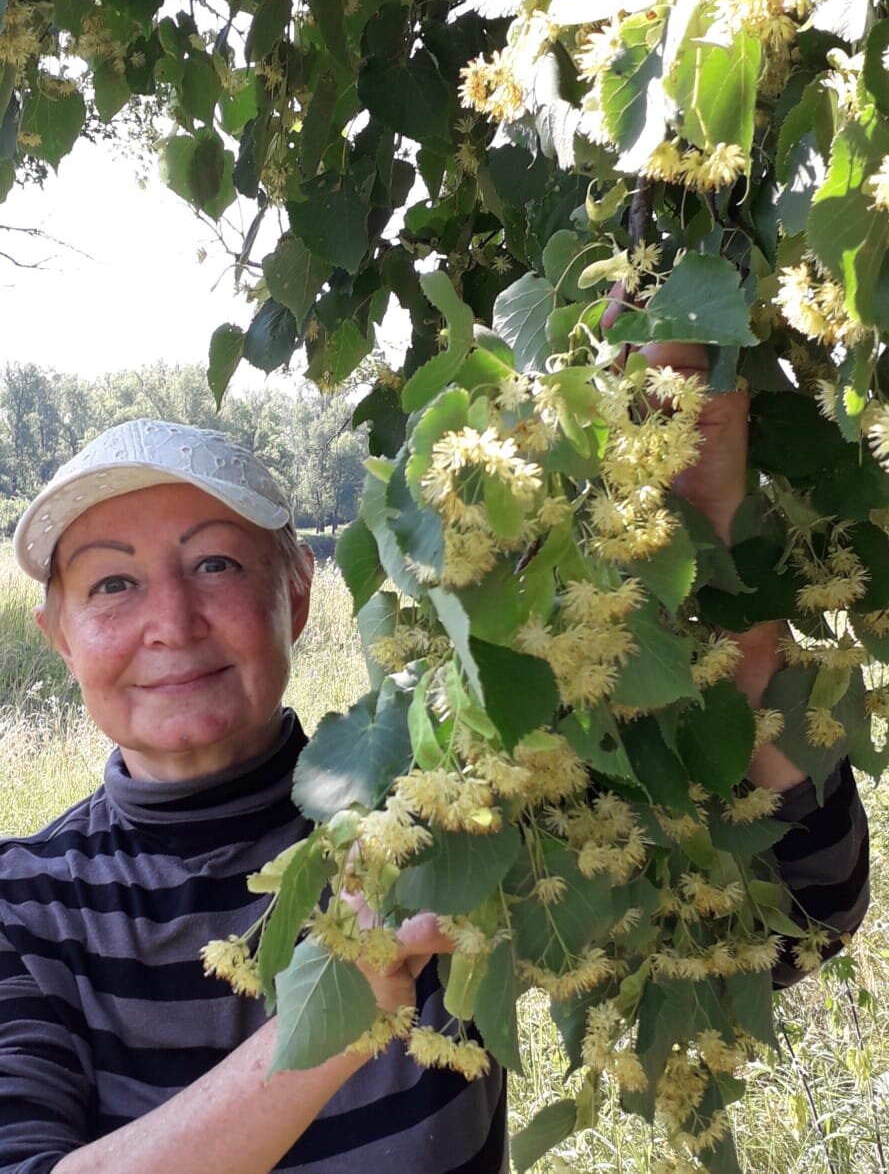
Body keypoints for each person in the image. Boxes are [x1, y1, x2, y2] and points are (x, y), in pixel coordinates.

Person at [0, 352, 868, 1173]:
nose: (172, 623)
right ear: (58, 635)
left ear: (297, 592)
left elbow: (796, 926)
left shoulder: (450, 805)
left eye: (214, 564)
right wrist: (344, 1001)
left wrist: (736, 609)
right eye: (112, 584)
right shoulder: (23, 909)